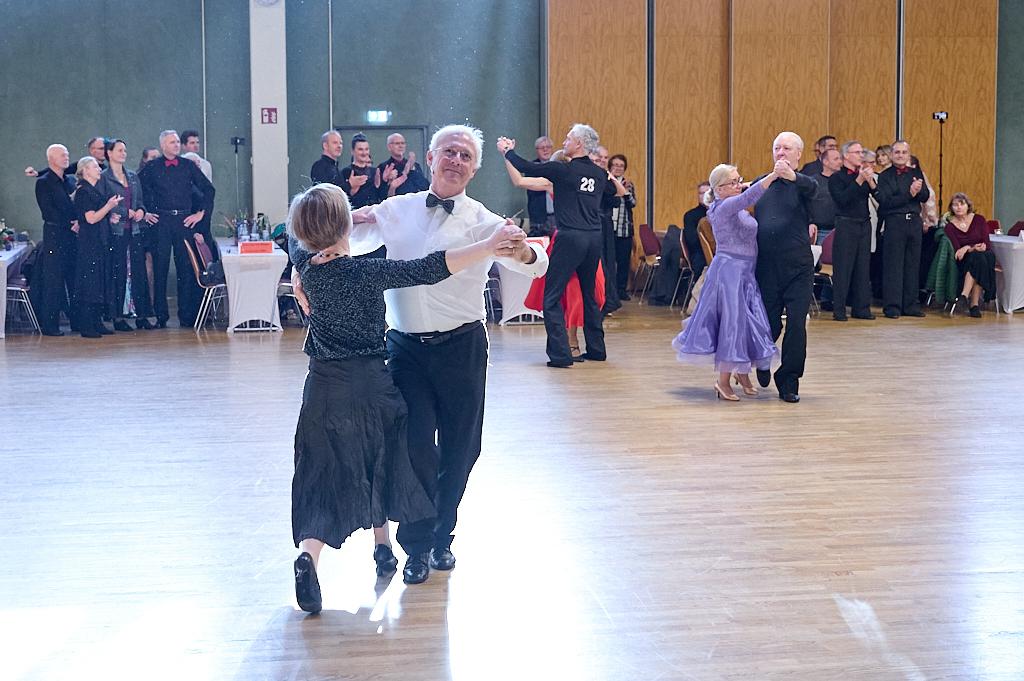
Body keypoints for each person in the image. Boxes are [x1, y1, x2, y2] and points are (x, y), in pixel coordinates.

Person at [296, 124, 548, 585]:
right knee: (413, 448)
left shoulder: (486, 222)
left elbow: (533, 261)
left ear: (474, 167)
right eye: (448, 152)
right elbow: (326, 227)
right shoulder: (396, 210)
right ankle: (415, 547)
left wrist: (527, 254)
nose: (455, 160)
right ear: (430, 158)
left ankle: (442, 537)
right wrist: (301, 266)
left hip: (463, 348)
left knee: (462, 449)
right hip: (406, 348)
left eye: (465, 155)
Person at [499, 125, 624, 367]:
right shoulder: (599, 174)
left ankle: (560, 355)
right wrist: (606, 174)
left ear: (579, 143)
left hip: (570, 238)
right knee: (588, 295)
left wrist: (507, 152)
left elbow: (527, 167)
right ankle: (597, 349)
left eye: (568, 138)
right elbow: (617, 193)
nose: (564, 141)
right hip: (594, 238)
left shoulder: (563, 170)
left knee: (552, 295)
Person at [672, 162, 785, 400]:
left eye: (738, 179)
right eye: (732, 182)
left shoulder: (731, 201)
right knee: (732, 326)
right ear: (719, 188)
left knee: (748, 323)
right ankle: (722, 381)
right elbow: (750, 195)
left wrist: (744, 183)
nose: (738, 184)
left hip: (745, 272)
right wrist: (773, 176)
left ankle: (742, 372)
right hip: (730, 273)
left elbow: (746, 191)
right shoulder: (724, 206)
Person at [752, 131, 818, 404]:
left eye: (787, 148)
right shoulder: (762, 183)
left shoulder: (805, 184)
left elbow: (815, 192)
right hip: (766, 266)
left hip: (798, 267)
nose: (781, 152)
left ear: (798, 154)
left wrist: (794, 177)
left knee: (796, 325)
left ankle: (789, 380)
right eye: (777, 147)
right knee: (767, 322)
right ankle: (764, 357)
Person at [138, 130, 216, 327]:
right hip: (161, 221)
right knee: (160, 268)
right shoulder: (151, 167)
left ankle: (187, 315)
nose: (176, 145)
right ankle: (161, 316)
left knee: (186, 268)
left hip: (184, 220)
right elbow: (137, 189)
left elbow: (208, 189)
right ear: (163, 145)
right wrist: (145, 211)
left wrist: (201, 213)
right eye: (171, 142)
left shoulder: (188, 165)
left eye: (176, 142)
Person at [101, 140, 153, 331]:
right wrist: (125, 213)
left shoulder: (132, 176)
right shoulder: (104, 177)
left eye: (125, 150)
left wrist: (140, 210)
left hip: (135, 229)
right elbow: (104, 204)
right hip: (117, 232)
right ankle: (117, 317)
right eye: (119, 150)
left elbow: (140, 201)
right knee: (118, 273)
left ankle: (142, 315)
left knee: (138, 272)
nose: (124, 153)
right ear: (109, 153)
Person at [875, 140, 929, 319]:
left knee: (913, 265)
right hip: (895, 222)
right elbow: (887, 201)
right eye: (897, 152)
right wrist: (909, 194)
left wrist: (918, 191)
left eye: (904, 152)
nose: (900, 155)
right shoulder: (885, 176)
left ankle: (911, 305)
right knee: (893, 266)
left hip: (914, 222)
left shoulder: (916, 172)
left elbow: (925, 195)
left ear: (908, 154)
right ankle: (892, 306)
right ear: (891, 155)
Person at [73, 157, 122, 338]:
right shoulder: (83, 192)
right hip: (90, 243)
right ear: (85, 170)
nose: (98, 169)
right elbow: (91, 218)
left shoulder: (94, 190)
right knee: (90, 283)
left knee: (99, 282)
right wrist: (109, 206)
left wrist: (110, 216)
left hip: (100, 240)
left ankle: (96, 321)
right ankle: (87, 325)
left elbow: (99, 216)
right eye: (94, 166)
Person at [34, 144, 80, 335]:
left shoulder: (69, 181)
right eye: (62, 155)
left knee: (74, 278)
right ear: (51, 158)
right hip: (55, 235)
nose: (66, 157)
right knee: (54, 281)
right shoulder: (44, 182)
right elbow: (48, 211)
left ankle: (77, 322)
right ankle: (50, 326)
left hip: (72, 235)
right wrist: (71, 223)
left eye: (67, 154)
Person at [827, 141, 876, 321]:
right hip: (845, 224)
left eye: (862, 152)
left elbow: (878, 196)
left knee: (863, 267)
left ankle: (861, 308)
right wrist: (859, 181)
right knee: (844, 268)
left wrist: (869, 181)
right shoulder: (836, 178)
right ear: (846, 155)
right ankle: (839, 310)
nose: (861, 155)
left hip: (864, 224)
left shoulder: (862, 176)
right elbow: (843, 200)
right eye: (857, 152)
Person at [944, 192, 996, 317]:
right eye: (955, 205)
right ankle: (974, 305)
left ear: (968, 206)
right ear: (951, 208)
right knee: (977, 260)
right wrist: (969, 248)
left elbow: (986, 244)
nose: (958, 207)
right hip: (965, 261)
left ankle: (964, 296)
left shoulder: (979, 219)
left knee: (980, 257)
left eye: (961, 204)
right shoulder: (950, 227)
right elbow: (958, 251)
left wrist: (972, 248)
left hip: (983, 255)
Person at [592, 145, 622, 314]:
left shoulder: (605, 176)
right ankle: (600, 300)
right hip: (594, 224)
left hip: (606, 224)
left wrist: (611, 176)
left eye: (605, 158)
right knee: (599, 263)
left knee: (609, 262)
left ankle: (607, 300)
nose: (603, 161)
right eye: (599, 158)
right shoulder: (593, 176)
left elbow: (619, 195)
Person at [608, 154, 636, 300]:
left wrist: (624, 193)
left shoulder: (628, 184)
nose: (618, 168)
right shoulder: (605, 182)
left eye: (621, 166)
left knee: (623, 261)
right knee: (609, 262)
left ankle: (621, 290)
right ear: (610, 166)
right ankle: (610, 291)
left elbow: (632, 202)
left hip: (624, 229)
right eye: (615, 165)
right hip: (608, 229)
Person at [182, 151, 218, 261]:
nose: (197, 167)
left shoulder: (203, 184)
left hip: (204, 231)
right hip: (193, 232)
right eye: (194, 164)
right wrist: (195, 233)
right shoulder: (184, 185)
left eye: (198, 164)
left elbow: (207, 207)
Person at [377, 133, 429, 198]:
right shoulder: (383, 167)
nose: (401, 146)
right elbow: (379, 194)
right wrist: (387, 181)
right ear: (389, 147)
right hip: (395, 204)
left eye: (403, 143)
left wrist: (412, 168)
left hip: (413, 203)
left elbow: (425, 186)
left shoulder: (415, 166)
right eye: (397, 143)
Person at [26, 136, 107, 178]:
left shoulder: (107, 169)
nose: (105, 151)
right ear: (91, 150)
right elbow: (58, 169)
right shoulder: (81, 165)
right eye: (101, 148)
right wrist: (38, 173)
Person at [525, 136, 556, 236]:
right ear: (537, 150)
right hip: (539, 216)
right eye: (542, 147)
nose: (545, 150)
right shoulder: (532, 167)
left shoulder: (559, 166)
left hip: (557, 215)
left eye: (548, 147)